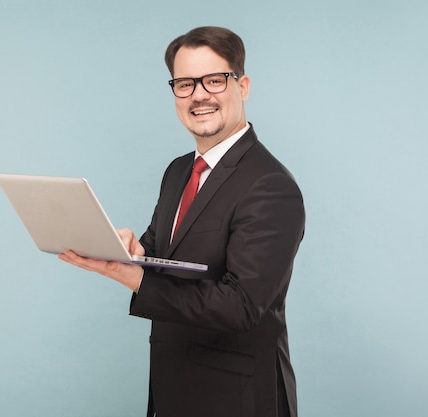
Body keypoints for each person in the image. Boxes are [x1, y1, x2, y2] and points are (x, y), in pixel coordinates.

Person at [59, 26, 305, 417]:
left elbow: (241, 306)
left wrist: (133, 277)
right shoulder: (178, 172)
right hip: (174, 387)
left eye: (214, 80)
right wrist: (134, 252)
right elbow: (161, 252)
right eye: (185, 84)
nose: (199, 95)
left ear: (243, 86)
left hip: (238, 399)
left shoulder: (270, 185)